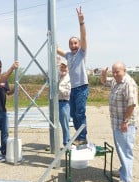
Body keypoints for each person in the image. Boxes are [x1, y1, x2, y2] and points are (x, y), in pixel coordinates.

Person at [101, 62, 139, 182]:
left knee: (125, 151)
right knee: (121, 149)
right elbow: (104, 82)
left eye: (118, 71)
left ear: (125, 70)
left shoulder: (128, 83)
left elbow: (132, 104)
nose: (115, 74)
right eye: (114, 72)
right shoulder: (116, 81)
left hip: (125, 124)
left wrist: (125, 121)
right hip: (116, 122)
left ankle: (126, 180)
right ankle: (124, 169)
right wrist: (104, 74)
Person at [57, 6, 89, 146]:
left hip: (82, 87)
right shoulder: (69, 55)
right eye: (71, 43)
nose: (73, 45)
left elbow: (84, 36)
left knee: (80, 113)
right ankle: (79, 136)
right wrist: (51, 38)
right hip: (73, 89)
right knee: (73, 114)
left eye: (75, 43)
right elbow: (58, 50)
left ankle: (82, 137)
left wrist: (81, 22)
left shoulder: (81, 53)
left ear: (79, 44)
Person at [58, 58, 71, 147]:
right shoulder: (59, 76)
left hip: (65, 103)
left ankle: (66, 143)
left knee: (65, 124)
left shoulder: (69, 78)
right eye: (62, 67)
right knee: (60, 123)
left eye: (65, 67)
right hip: (57, 102)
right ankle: (65, 141)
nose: (63, 69)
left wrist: (58, 88)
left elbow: (68, 92)